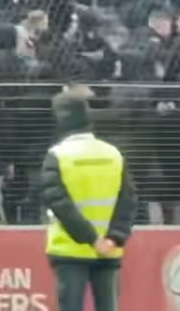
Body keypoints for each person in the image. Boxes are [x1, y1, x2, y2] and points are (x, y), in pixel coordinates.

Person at [41, 92, 137, 311]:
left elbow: (60, 205)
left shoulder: (57, 155)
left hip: (70, 251)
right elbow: (128, 201)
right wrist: (113, 238)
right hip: (109, 250)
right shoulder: (113, 154)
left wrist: (92, 239)